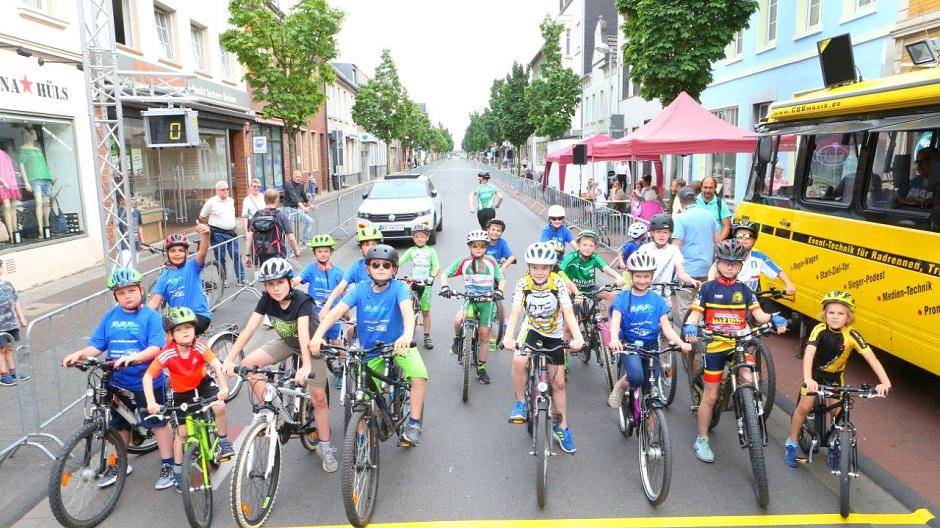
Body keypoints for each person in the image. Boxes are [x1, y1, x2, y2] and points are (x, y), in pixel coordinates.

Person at [61, 268, 175, 490]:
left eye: (132, 290)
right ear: (115, 296)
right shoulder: (110, 317)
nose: (127, 296)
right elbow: (97, 345)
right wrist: (80, 354)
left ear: (141, 290)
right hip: (116, 380)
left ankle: (168, 464)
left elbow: (156, 347)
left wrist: (135, 357)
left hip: (146, 381)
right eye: (121, 293)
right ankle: (121, 464)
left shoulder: (150, 316)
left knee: (157, 422)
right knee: (119, 424)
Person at [221, 258, 337, 472]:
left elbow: (303, 335)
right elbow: (248, 330)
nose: (275, 289)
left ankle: (326, 447)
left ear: (290, 282)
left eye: (280, 283)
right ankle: (274, 409)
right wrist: (230, 359)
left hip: (311, 346)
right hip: (286, 342)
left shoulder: (302, 300)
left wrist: (306, 366)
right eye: (270, 284)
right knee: (249, 365)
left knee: (319, 399)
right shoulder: (266, 300)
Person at [312, 245, 430, 445]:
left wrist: (407, 335)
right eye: (376, 264)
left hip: (398, 345)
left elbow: (408, 314)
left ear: (394, 270)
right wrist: (317, 335)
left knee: (419, 376)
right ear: (368, 268)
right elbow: (336, 312)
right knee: (362, 397)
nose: (381, 268)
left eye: (387, 265)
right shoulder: (360, 289)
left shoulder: (399, 288)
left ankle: (414, 423)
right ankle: (360, 436)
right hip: (369, 351)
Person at [683, 240, 787, 463]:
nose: (730, 267)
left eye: (735, 264)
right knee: (711, 396)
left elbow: (759, 316)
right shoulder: (707, 288)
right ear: (718, 263)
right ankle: (701, 439)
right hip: (716, 344)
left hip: (739, 343)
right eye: (725, 263)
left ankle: (749, 408)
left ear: (741, 266)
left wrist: (774, 317)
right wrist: (691, 325)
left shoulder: (745, 290)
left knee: (748, 377)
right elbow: (695, 315)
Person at [783, 291, 891, 469]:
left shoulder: (852, 335)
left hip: (834, 378)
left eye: (840, 314)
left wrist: (885, 382)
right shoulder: (819, 330)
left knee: (838, 415)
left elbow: (872, 359)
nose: (835, 317)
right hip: (815, 376)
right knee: (804, 407)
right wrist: (808, 378)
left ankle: (836, 448)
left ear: (848, 317)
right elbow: (809, 354)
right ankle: (792, 443)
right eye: (831, 313)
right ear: (825, 314)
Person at [503, 242, 584, 453]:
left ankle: (563, 427)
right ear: (529, 267)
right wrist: (508, 337)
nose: (539, 272)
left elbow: (567, 313)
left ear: (551, 268)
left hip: (554, 334)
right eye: (535, 267)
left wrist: (578, 337)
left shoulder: (558, 284)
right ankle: (520, 402)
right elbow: (514, 312)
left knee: (558, 383)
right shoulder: (523, 284)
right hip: (531, 329)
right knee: (519, 360)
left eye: (545, 268)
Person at [142, 307, 234, 491]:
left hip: (203, 385)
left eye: (188, 327)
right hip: (182, 393)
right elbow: (147, 377)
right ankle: (177, 469)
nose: (185, 332)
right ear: (170, 334)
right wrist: (151, 402)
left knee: (219, 407)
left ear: (195, 330)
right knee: (182, 433)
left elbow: (216, 363)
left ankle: (223, 441)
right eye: (178, 329)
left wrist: (223, 388)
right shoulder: (167, 353)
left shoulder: (199, 346)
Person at [608, 252, 691, 407]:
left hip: (652, 347)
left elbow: (666, 328)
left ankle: (650, 427)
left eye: (646, 276)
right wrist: (614, 338)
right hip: (629, 345)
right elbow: (616, 322)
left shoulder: (657, 300)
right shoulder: (623, 298)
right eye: (638, 276)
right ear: (631, 276)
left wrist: (681, 342)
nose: (642, 280)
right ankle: (621, 384)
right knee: (636, 377)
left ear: (652, 276)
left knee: (650, 385)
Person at [440, 230, 506, 385]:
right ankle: (457, 340)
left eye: (482, 245)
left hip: (487, 302)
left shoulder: (491, 261)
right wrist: (445, 287)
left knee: (484, 335)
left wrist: (499, 291)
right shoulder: (464, 261)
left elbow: (501, 279)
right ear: (469, 246)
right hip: (469, 300)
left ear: (486, 247)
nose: (478, 248)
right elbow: (445, 274)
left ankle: (481, 368)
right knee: (457, 320)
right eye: (474, 245)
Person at [148, 223, 213, 335]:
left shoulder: (192, 266)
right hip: (178, 319)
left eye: (181, 250)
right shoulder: (164, 277)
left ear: (187, 253)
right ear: (167, 254)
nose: (177, 254)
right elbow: (154, 302)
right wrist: (139, 315)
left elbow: (202, 252)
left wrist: (206, 234)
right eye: (172, 251)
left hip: (198, 316)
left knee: (179, 335)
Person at [706, 219, 796, 297]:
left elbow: (777, 271)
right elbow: (714, 268)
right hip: (726, 299)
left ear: (755, 239)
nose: (743, 239)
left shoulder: (760, 257)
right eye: (740, 236)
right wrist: (710, 285)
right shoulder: (727, 252)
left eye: (748, 236)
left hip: (749, 302)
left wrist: (789, 284)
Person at [672, 187, 721, 331]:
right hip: (707, 269)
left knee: (685, 306)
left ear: (681, 202)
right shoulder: (709, 215)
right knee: (703, 303)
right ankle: (703, 334)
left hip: (686, 270)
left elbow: (676, 246)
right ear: (695, 199)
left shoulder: (680, 218)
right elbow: (717, 241)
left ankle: (687, 336)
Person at [292, 235, 345, 355]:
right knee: (315, 340)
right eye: (319, 251)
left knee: (337, 342)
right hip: (315, 312)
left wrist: (346, 311)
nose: (323, 254)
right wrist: (290, 284)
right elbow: (298, 278)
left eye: (326, 251)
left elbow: (344, 292)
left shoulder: (338, 272)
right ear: (314, 252)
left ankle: (342, 366)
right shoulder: (311, 269)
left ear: (331, 251)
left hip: (333, 311)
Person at [319, 226, 384, 316]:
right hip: (364, 311)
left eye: (374, 244)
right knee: (350, 329)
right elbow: (341, 287)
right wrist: (327, 306)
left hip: (384, 310)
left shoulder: (387, 265)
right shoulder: (356, 267)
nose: (371, 247)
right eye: (366, 244)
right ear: (360, 249)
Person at [638, 214, 699, 303]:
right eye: (658, 232)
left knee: (666, 314)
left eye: (665, 232)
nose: (661, 235)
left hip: (665, 296)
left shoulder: (674, 250)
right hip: (645, 292)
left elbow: (682, 274)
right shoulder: (644, 249)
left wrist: (692, 280)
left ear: (670, 234)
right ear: (652, 233)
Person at [559, 230, 625, 306]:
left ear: (595, 248)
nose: (587, 248)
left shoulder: (594, 257)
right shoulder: (572, 257)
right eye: (584, 245)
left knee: (612, 295)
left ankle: (609, 317)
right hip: (572, 288)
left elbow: (606, 268)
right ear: (578, 245)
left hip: (590, 287)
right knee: (570, 309)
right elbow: (559, 271)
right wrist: (565, 287)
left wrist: (619, 277)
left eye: (591, 246)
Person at [400, 224, 440, 350]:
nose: (419, 239)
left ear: (427, 237)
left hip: (425, 285)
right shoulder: (411, 251)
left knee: (425, 312)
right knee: (411, 311)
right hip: (412, 284)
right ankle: (410, 335)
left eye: (422, 237)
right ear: (413, 238)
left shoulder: (431, 251)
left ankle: (427, 336)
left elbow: (436, 266)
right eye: (416, 237)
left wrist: (432, 277)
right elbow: (399, 262)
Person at [199, 180, 244, 286]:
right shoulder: (211, 202)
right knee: (220, 257)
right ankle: (223, 280)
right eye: (223, 189)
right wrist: (211, 224)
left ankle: (241, 279)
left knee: (236, 254)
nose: (226, 191)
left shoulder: (231, 201)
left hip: (231, 233)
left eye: (227, 189)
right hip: (217, 234)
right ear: (217, 191)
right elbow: (202, 217)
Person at [244, 188, 301, 269]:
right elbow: (290, 237)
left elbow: (249, 237)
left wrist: (247, 255)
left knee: (266, 275)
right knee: (278, 277)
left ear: (264, 199)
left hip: (261, 251)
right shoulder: (280, 215)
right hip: (277, 251)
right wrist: (296, 250)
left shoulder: (257, 214)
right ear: (277, 199)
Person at [0, 258, 28, 385]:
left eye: (0, 266)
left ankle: (12, 371)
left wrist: (21, 317)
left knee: (10, 348)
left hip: (11, 323)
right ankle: (3, 374)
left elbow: (16, 301)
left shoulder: (8, 284)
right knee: (1, 349)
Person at [283, 169, 315, 244]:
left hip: (296, 210)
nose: (298, 178)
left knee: (309, 221)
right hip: (288, 210)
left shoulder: (300, 185)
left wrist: (310, 205)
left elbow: (305, 197)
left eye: (300, 177)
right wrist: (303, 208)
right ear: (292, 176)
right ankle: (289, 249)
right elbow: (295, 198)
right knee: (290, 231)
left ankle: (304, 240)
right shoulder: (289, 185)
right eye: (297, 176)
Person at [696, 176, 732, 241]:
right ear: (701, 188)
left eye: (711, 188)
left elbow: (726, 226)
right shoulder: (694, 202)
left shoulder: (720, 204)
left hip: (714, 245)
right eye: (705, 187)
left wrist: (718, 241)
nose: (708, 190)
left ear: (715, 188)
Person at [116, 196, 144, 267]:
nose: (132, 201)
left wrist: (142, 242)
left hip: (136, 243)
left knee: (134, 266)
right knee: (127, 267)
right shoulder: (119, 212)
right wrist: (116, 244)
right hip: (124, 244)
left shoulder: (137, 212)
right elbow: (115, 228)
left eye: (133, 199)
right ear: (123, 200)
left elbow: (139, 227)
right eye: (130, 199)